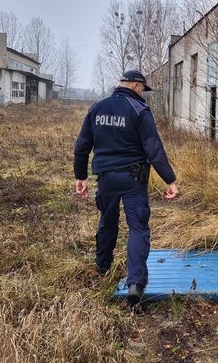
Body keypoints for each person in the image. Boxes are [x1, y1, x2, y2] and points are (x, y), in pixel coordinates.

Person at [73, 69, 179, 307]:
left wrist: (80, 176)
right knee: (138, 227)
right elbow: (154, 148)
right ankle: (136, 284)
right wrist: (169, 180)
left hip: (106, 179)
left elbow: (81, 147)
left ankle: (102, 266)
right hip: (133, 180)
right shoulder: (139, 111)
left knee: (107, 221)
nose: (144, 94)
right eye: (143, 89)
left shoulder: (96, 109)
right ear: (134, 86)